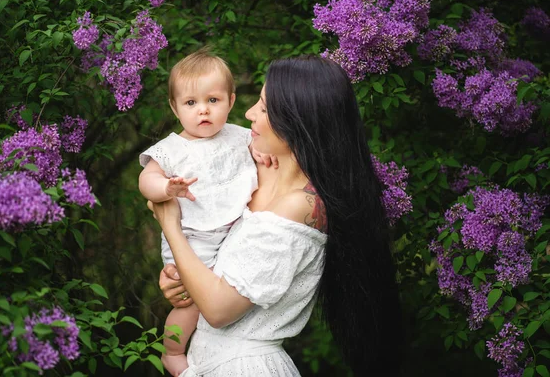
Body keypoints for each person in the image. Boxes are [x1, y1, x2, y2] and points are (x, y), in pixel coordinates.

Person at [150, 55, 403, 376]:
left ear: (298, 121)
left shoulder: (300, 207)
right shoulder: (254, 176)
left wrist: (171, 228)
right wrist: (178, 277)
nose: (248, 113)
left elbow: (217, 309)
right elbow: (186, 216)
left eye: (265, 107)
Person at [139, 49, 275, 376]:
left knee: (219, 296)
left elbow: (260, 151)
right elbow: (146, 180)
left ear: (230, 100)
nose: (203, 110)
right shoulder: (171, 149)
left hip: (232, 235)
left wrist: (261, 152)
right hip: (192, 238)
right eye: (191, 103)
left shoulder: (241, 137)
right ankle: (172, 351)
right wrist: (165, 188)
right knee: (190, 301)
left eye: (213, 100)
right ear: (175, 107)